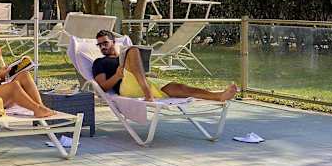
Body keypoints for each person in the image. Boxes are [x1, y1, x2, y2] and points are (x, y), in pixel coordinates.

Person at [92, 30, 237, 102]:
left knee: (181, 88)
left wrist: (147, 74)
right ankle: (148, 94)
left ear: (114, 42)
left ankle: (218, 96)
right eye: (100, 45)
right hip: (126, 86)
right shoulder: (99, 62)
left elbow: (136, 69)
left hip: (144, 81)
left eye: (105, 43)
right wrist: (117, 76)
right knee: (133, 49)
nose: (102, 47)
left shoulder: (123, 57)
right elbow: (102, 88)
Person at [0, 14, 55, 118]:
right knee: (14, 86)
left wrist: (13, 69)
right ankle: (37, 109)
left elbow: (2, 75)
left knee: (24, 75)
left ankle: (41, 107)